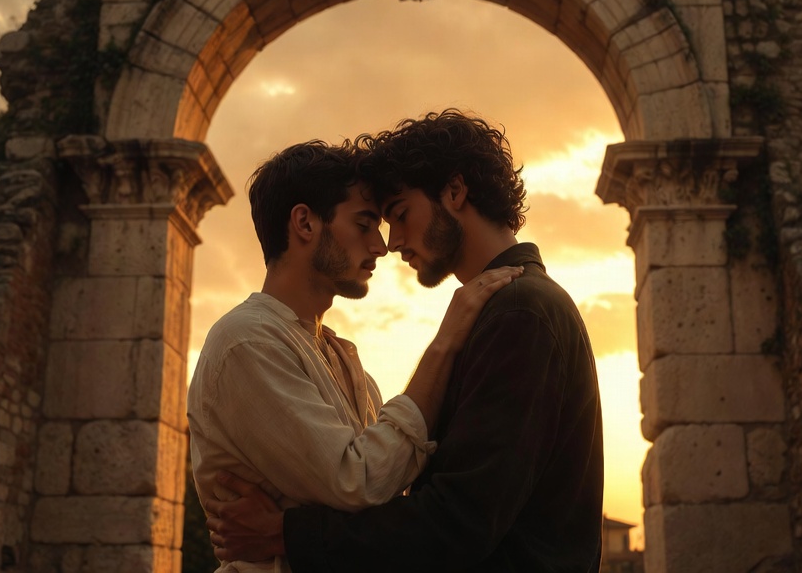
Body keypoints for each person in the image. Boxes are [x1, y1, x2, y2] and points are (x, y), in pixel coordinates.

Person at [204, 111, 605, 572]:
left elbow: (458, 521)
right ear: (303, 223)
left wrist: (286, 534)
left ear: (454, 192)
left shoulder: (520, 312)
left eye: (398, 215)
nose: (388, 244)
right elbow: (398, 491)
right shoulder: (251, 342)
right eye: (369, 223)